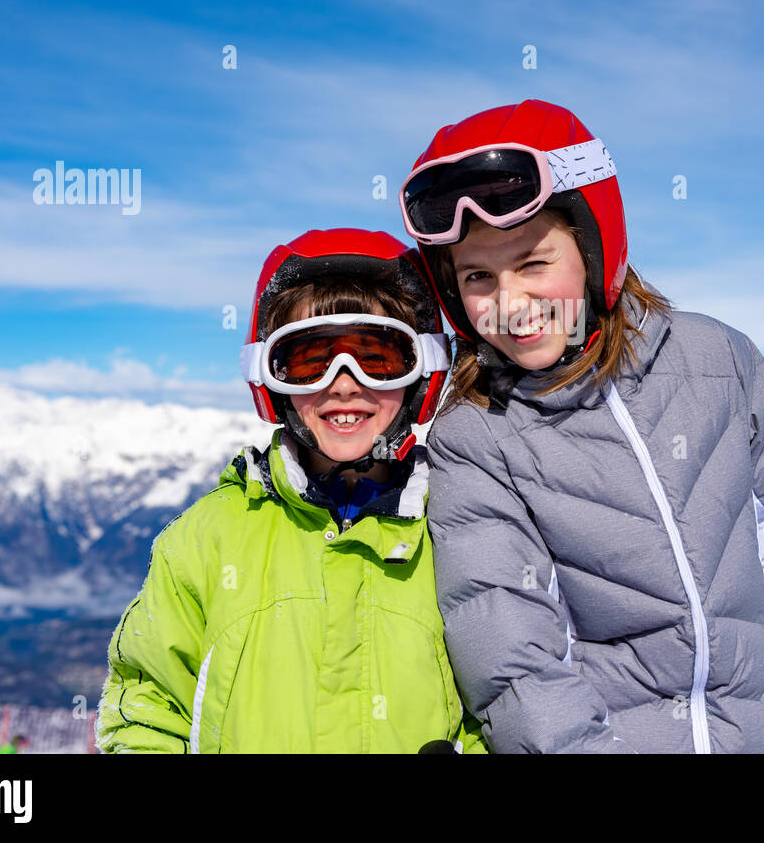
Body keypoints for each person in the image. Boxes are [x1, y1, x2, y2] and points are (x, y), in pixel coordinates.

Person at [397, 99, 764, 753]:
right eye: (477, 276)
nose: (510, 302)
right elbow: (514, 655)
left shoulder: (717, 360)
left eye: (533, 263)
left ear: (593, 243)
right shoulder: (476, 436)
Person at [96, 228, 486, 753]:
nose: (343, 383)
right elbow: (145, 703)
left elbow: (503, 699)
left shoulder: (461, 532)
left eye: (376, 357)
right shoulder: (209, 539)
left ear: (422, 371)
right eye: (310, 361)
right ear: (271, 378)